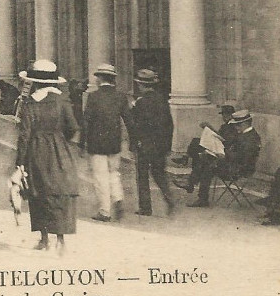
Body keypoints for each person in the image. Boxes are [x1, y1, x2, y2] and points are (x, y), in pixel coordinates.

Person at [14, 60, 79, 254]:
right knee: (59, 191)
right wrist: (59, 139)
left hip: (37, 151)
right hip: (60, 150)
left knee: (38, 192)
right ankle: (61, 240)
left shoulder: (30, 103)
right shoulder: (63, 101)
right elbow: (73, 127)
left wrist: (20, 163)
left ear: (34, 82)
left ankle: (44, 239)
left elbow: (24, 135)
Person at [175, 109, 262, 207]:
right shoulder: (244, 135)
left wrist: (224, 155)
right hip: (232, 164)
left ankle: (197, 192)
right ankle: (195, 189)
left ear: (246, 123)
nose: (236, 127)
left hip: (240, 169)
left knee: (208, 163)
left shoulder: (252, 138)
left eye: (238, 125)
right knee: (206, 158)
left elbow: (244, 159)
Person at [83, 64, 131, 222]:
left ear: (100, 78)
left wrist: (81, 142)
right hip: (114, 142)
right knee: (114, 173)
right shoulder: (121, 96)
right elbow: (128, 120)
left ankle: (105, 211)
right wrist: (133, 139)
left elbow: (86, 121)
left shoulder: (93, 96)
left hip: (96, 142)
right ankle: (117, 198)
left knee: (100, 176)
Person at [127, 69, 175, 217]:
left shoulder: (140, 103)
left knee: (142, 176)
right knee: (159, 173)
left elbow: (136, 126)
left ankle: (146, 208)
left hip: (144, 145)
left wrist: (134, 144)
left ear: (141, 85)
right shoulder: (162, 100)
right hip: (160, 145)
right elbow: (169, 124)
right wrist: (167, 145)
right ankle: (169, 197)